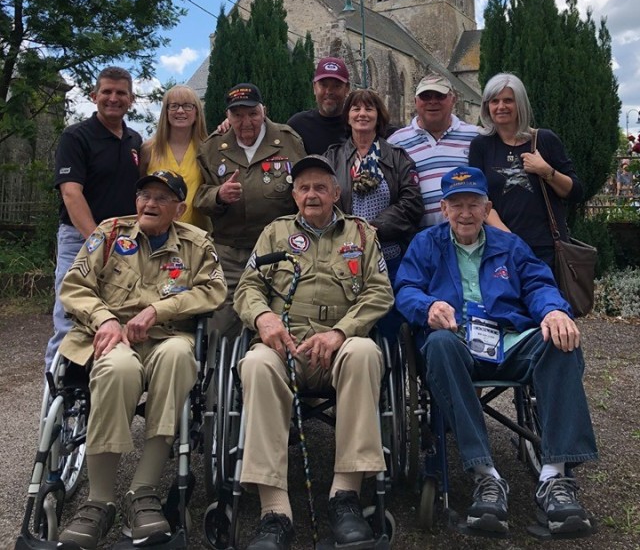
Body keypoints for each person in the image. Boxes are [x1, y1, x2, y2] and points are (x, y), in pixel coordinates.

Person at [394, 166, 597, 537]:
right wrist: (427, 307)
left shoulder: (510, 245)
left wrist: (554, 311)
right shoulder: (426, 244)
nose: (466, 213)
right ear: (443, 208)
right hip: (457, 341)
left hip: (510, 339)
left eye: (474, 204)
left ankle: (555, 477)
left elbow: (538, 284)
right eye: (457, 205)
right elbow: (405, 288)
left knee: (561, 341)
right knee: (437, 344)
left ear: (487, 207)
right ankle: (485, 475)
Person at [56, 170, 227, 549]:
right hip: (109, 337)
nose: (150, 203)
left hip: (166, 337)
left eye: (161, 198)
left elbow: (214, 290)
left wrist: (159, 310)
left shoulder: (197, 242)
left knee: (180, 356)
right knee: (117, 368)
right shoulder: (111, 233)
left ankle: (143, 490)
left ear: (179, 208)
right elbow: (74, 287)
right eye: (144, 196)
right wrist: (103, 320)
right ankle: (99, 500)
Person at [234, 154, 394, 550]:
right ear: (293, 194)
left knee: (365, 353)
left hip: (338, 351)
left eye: (320, 187)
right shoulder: (275, 233)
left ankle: (346, 496)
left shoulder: (361, 235)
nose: (312, 195)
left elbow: (379, 292)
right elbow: (247, 288)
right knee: (254, 363)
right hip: (284, 348)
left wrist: (341, 332)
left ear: (336, 192)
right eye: (304, 188)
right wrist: (263, 320)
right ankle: (275, 512)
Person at [45, 66, 142, 370]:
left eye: (121, 93)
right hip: (80, 238)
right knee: (70, 313)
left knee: (115, 314)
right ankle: (57, 382)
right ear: (94, 96)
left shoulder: (134, 140)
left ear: (131, 99)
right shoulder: (76, 137)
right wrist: (98, 242)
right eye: (107, 92)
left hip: (123, 241)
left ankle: (97, 384)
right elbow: (72, 194)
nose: (113, 98)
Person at [194, 83, 306, 336]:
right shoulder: (212, 148)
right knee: (221, 326)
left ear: (263, 111)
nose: (246, 122)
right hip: (230, 253)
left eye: (252, 114)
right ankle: (219, 375)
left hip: (280, 251)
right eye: (238, 115)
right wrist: (218, 195)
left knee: (281, 320)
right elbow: (198, 196)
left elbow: (304, 189)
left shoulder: (288, 141)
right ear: (228, 117)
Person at [468, 72, 584, 268]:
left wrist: (546, 170)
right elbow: (478, 198)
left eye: (508, 100)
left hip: (546, 248)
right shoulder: (481, 145)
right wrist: (510, 239)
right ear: (487, 106)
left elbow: (576, 192)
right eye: (494, 101)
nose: (501, 106)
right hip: (500, 247)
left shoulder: (545, 140)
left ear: (520, 103)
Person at [324, 88, 422, 283]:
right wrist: (349, 229)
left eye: (369, 109)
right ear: (348, 117)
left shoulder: (397, 157)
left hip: (389, 255)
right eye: (356, 109)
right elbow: (323, 200)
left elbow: (412, 202)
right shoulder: (332, 158)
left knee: (389, 311)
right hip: (342, 256)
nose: (362, 114)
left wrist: (375, 227)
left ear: (378, 116)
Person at [387, 74, 478, 227]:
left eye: (440, 96)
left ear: (453, 99)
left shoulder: (475, 136)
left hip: (467, 234)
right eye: (425, 96)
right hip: (418, 238)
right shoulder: (397, 142)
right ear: (415, 101)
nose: (432, 101)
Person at [140, 84, 209, 229]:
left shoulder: (207, 149)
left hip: (195, 235)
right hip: (156, 233)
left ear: (197, 112)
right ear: (165, 112)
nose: (180, 111)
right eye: (174, 106)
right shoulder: (149, 149)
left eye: (187, 106)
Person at [287, 56, 351, 154]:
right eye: (324, 85)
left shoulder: (356, 127)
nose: (329, 91)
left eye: (336, 86)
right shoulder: (297, 126)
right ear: (314, 87)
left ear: (347, 89)